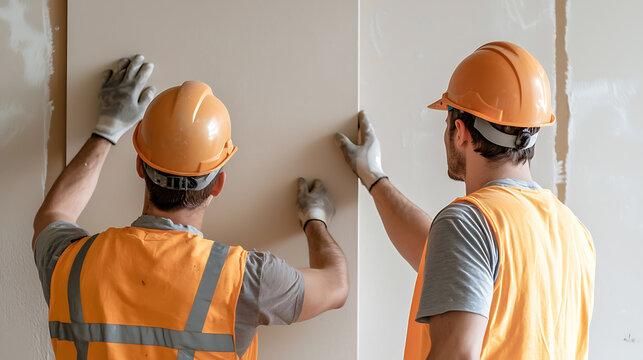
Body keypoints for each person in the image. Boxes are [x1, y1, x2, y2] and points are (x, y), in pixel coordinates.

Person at [32, 55, 349, 359]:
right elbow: (336, 286)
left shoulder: (70, 263)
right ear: (218, 184)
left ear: (140, 168)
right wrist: (314, 219)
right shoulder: (245, 279)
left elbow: (53, 215)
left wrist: (107, 129)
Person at [336, 41, 595, 359]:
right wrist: (374, 178)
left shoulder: (471, 224)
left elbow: (457, 353)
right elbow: (438, 255)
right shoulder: (574, 234)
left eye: (446, 122)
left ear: (460, 131)